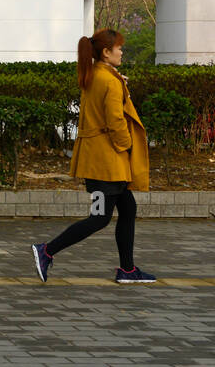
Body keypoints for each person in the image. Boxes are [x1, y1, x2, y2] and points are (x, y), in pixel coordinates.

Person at [32, 29, 155, 284]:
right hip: (107, 162)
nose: (122, 52)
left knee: (128, 208)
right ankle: (46, 251)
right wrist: (127, 145)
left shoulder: (99, 75)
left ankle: (128, 270)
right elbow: (114, 120)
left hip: (103, 160)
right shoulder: (109, 79)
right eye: (119, 48)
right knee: (99, 218)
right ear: (106, 52)